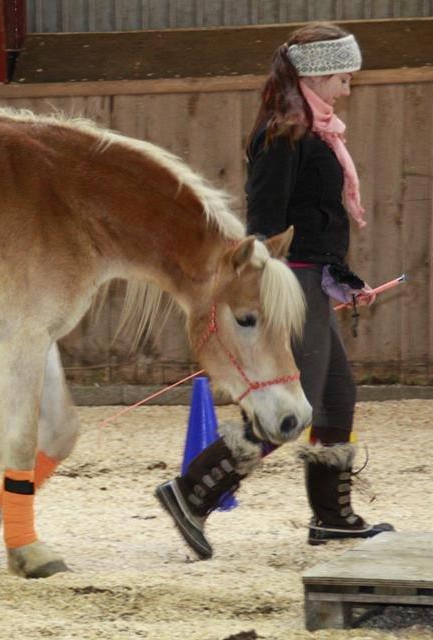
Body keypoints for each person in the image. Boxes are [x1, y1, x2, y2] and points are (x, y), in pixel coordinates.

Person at [155, 23, 393, 560]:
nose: (348, 88)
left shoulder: (317, 132)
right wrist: (280, 288)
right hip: (292, 284)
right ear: (314, 76)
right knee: (293, 408)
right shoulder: (283, 138)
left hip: (313, 279)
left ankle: (332, 517)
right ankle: (193, 494)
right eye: (342, 77)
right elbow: (263, 228)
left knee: (337, 396)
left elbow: (315, 223)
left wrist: (342, 279)